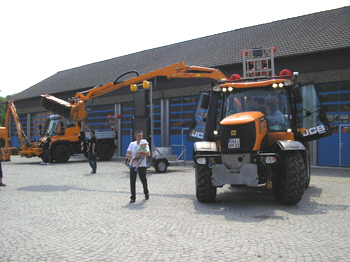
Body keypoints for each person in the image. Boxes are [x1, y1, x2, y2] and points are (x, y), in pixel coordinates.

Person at [126, 130, 151, 203]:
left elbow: (148, 154)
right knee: (132, 181)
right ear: (135, 136)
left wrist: (141, 154)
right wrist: (134, 157)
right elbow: (127, 154)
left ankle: (146, 193)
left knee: (143, 180)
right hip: (133, 165)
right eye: (139, 136)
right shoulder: (132, 144)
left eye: (141, 136)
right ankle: (133, 197)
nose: (140, 137)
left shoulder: (145, 143)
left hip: (142, 165)